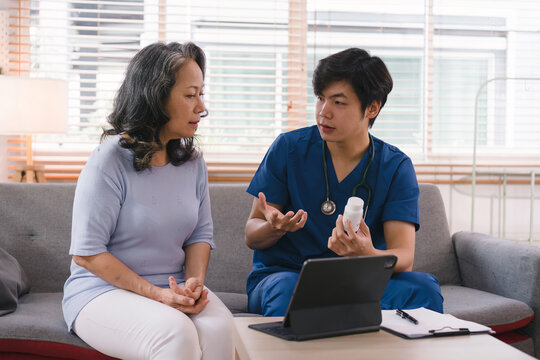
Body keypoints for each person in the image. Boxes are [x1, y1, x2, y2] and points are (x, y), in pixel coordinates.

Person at [62, 42, 233, 360]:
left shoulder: (192, 162)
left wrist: (193, 284)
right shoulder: (108, 161)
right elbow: (87, 254)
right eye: (190, 94)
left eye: (202, 93)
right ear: (156, 97)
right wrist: (158, 296)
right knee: (175, 333)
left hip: (173, 287)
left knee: (220, 329)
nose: (202, 107)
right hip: (102, 292)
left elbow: (200, 236)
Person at [245, 48, 443, 317]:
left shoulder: (395, 166)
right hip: (288, 276)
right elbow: (251, 234)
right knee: (287, 291)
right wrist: (273, 228)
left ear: (372, 108)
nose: (323, 113)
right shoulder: (288, 149)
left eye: (338, 102)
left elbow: (404, 257)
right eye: (320, 99)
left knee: (424, 290)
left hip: (358, 280)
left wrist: (367, 253)